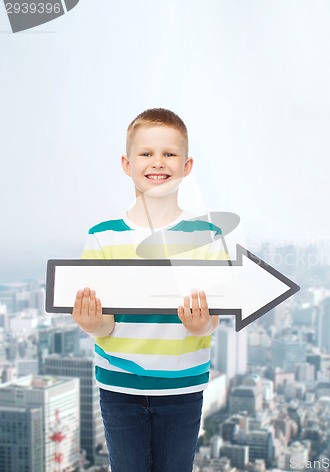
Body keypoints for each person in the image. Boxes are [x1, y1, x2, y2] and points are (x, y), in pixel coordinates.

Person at [72, 108, 227, 472]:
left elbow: (215, 318)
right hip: (119, 388)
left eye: (169, 154)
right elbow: (104, 323)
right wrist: (92, 324)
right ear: (127, 164)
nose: (158, 162)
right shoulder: (102, 236)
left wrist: (201, 325)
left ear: (187, 166)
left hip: (183, 387)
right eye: (146, 153)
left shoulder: (207, 237)